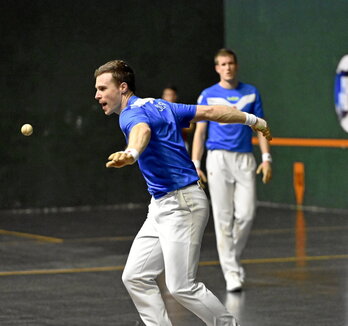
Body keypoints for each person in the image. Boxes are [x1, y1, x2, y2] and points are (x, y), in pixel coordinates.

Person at [94, 59, 271, 326]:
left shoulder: (131, 115)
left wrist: (131, 153)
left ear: (122, 88)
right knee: (135, 276)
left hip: (183, 204)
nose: (97, 95)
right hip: (161, 205)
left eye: (102, 88)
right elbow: (211, 111)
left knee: (181, 286)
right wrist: (253, 120)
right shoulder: (162, 105)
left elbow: (141, 131)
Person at [191, 48, 272, 292]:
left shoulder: (251, 92)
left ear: (236, 66)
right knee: (223, 219)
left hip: (245, 158)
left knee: (246, 214)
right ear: (217, 68)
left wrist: (266, 157)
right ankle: (231, 273)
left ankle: (230, 258)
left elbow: (260, 127)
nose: (227, 67)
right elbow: (200, 132)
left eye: (230, 63)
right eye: (222, 64)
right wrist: (196, 163)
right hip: (217, 160)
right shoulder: (207, 95)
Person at [161, 85, 195, 151]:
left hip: (180, 144)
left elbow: (191, 127)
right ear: (163, 97)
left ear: (175, 96)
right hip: (163, 144)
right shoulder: (159, 112)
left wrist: (176, 124)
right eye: (166, 95)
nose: (168, 97)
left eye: (170, 95)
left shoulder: (182, 110)